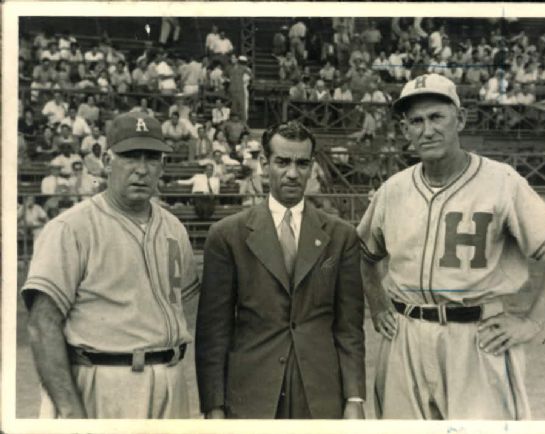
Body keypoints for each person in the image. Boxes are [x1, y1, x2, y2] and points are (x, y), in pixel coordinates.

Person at [357, 73, 545, 420]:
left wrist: (533, 322)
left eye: (436, 117)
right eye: (416, 121)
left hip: (476, 338)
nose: (426, 130)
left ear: (459, 119)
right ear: (405, 131)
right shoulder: (393, 190)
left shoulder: (501, 181)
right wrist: (377, 306)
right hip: (406, 336)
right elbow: (367, 256)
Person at [22, 112, 200, 418]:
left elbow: (187, 306)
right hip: (104, 380)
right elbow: (42, 326)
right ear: (107, 160)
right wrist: (69, 410)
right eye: (130, 156)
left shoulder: (174, 228)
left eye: (152, 158)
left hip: (170, 382)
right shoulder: (71, 228)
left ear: (162, 165)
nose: (141, 169)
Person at [195, 121, 366, 419]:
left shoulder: (341, 236)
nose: (292, 173)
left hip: (319, 392)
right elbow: (214, 332)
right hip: (251, 393)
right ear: (264, 163)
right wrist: (214, 406)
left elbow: (349, 328)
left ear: (312, 167)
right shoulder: (228, 235)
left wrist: (354, 397)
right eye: (282, 162)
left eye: (302, 164)